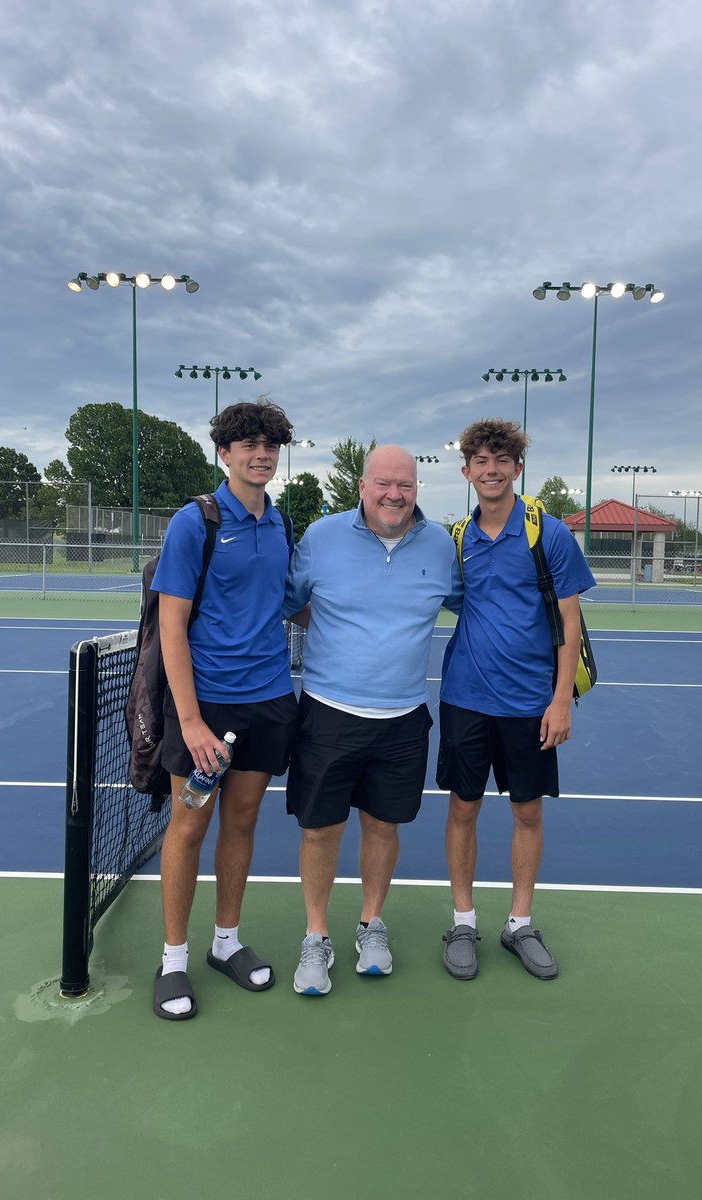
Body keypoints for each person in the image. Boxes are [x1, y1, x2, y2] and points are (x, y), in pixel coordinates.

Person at [283, 445, 462, 996]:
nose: (394, 495)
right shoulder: (321, 537)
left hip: (404, 718)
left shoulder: (440, 545)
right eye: (383, 483)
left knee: (383, 826)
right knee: (320, 830)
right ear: (361, 486)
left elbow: (475, 605)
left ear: (416, 490)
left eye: (404, 485)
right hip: (328, 714)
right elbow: (291, 602)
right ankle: (316, 935)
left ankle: (370, 925)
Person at [150, 399, 299, 1020]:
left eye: (270, 445)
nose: (260, 454)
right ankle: (174, 960)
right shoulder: (196, 522)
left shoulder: (280, 521)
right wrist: (189, 721)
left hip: (268, 699)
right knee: (189, 826)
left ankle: (225, 943)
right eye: (248, 445)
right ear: (224, 453)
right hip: (207, 707)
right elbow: (172, 626)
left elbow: (289, 606)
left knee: (242, 823)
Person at [437, 418, 595, 983]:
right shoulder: (456, 538)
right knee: (463, 808)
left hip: (531, 703)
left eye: (502, 460)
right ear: (466, 472)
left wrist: (561, 702)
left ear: (517, 467)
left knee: (527, 811)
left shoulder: (547, 534)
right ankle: (462, 921)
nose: (492, 470)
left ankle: (519, 923)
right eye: (481, 461)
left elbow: (570, 625)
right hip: (465, 698)